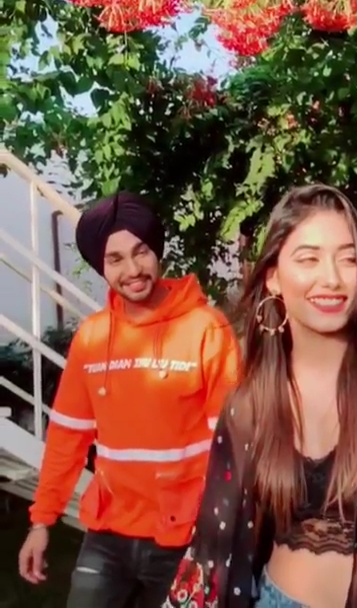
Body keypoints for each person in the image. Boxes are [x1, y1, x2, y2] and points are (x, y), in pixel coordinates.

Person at [161, 183, 357, 608]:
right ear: (273, 277)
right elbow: (214, 544)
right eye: (308, 258)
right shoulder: (249, 403)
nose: (331, 278)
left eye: (348, 259)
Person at [18, 192, 241, 608]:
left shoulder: (206, 329)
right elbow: (67, 438)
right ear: (101, 266)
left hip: (186, 536)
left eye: (141, 252)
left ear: (156, 251)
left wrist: (225, 529)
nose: (133, 269)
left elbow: (233, 445)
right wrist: (41, 521)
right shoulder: (92, 337)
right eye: (115, 259)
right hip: (108, 538)